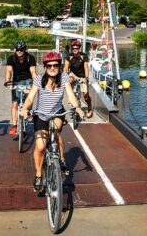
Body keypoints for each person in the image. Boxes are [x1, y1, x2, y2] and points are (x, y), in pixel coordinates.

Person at [20, 51, 85, 192]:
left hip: (57, 113)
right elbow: (30, 97)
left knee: (55, 132)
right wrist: (25, 108)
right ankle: (38, 175)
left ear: (59, 66)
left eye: (55, 65)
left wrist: (78, 108)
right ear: (45, 67)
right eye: (49, 66)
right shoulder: (38, 80)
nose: (52, 68)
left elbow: (70, 95)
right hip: (41, 115)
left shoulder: (64, 78)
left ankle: (60, 159)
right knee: (41, 147)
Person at [5, 40, 37, 136]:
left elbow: (33, 72)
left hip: (28, 80)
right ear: (15, 50)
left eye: (21, 49)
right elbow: (8, 71)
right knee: (15, 103)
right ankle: (15, 126)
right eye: (17, 49)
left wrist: (36, 82)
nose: (19, 51)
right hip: (16, 82)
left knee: (28, 99)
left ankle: (29, 111)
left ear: (25, 49)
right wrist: (8, 82)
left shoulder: (30, 58)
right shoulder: (11, 58)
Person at [63, 39, 93, 118]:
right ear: (71, 49)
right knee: (70, 79)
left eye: (76, 48)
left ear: (79, 48)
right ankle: (71, 97)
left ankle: (89, 107)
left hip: (82, 76)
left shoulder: (84, 56)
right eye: (73, 48)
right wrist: (64, 76)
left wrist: (86, 78)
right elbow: (66, 68)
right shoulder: (69, 56)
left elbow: (86, 67)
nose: (75, 50)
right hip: (73, 74)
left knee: (86, 95)